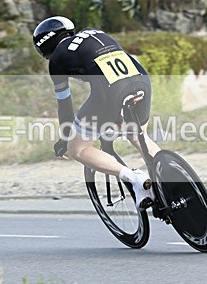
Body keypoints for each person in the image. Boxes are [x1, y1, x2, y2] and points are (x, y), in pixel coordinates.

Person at [32, 16, 162, 208]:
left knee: (78, 149)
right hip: (141, 81)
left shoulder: (56, 60)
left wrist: (65, 138)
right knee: (138, 135)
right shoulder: (93, 31)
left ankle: (135, 179)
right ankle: (170, 180)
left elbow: (65, 105)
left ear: (45, 49)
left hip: (110, 91)